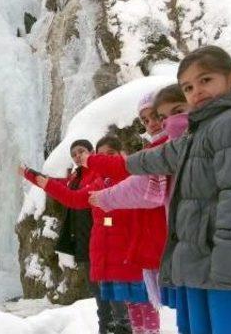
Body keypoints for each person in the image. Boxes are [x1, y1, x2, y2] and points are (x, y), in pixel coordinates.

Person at [124, 45, 231, 334]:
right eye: (187, 87)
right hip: (208, 265)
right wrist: (130, 162)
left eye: (205, 80)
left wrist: (228, 266)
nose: (196, 91)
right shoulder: (205, 127)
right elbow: (169, 154)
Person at [87, 84, 190, 333]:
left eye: (157, 116)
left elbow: (142, 188)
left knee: (168, 303)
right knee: (136, 306)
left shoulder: (167, 147)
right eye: (145, 119)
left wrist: (105, 196)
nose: (152, 123)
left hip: (160, 238)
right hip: (141, 243)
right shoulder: (157, 147)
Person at [21, 136, 144, 334]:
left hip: (117, 247)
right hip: (94, 244)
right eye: (74, 154)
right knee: (104, 299)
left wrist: (107, 222)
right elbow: (69, 194)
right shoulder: (85, 179)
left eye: (82, 152)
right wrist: (31, 175)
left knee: (125, 305)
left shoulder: (117, 176)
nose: (78, 156)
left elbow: (123, 214)